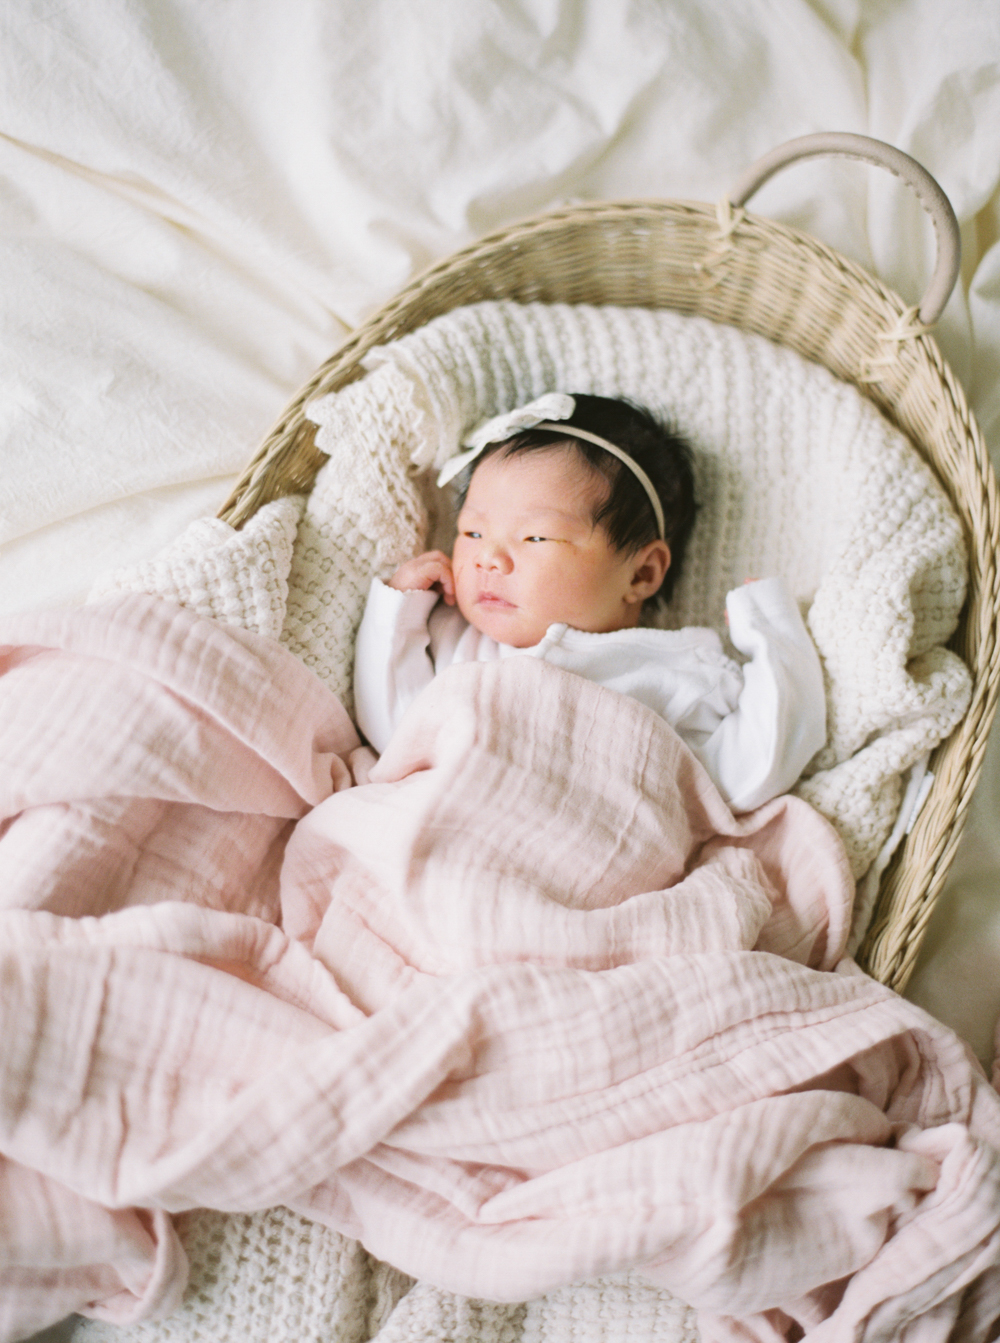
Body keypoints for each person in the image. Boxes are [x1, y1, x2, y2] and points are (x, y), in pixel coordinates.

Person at [353, 392, 825, 812]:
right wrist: (398, 608)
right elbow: (392, 729)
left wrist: (773, 636)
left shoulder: (674, 673)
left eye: (536, 536)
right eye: (473, 532)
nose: (488, 558)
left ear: (641, 573)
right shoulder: (457, 644)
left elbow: (756, 770)